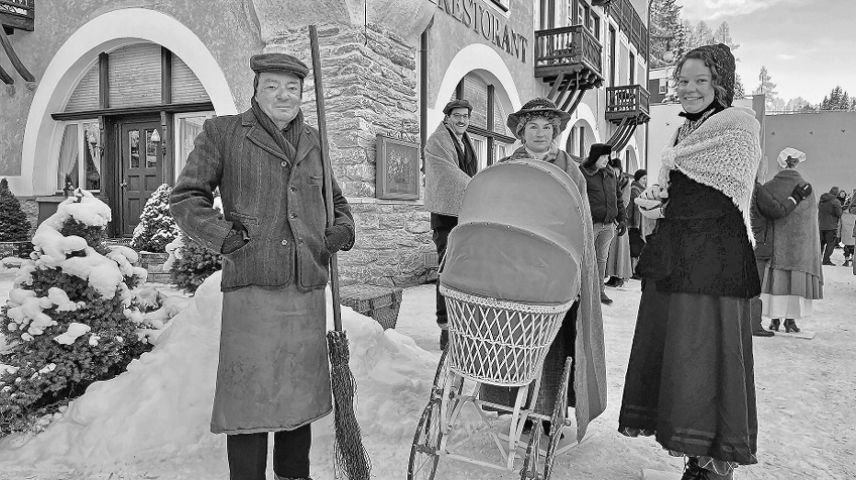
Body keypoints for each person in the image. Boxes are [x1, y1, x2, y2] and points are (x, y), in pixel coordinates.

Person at [170, 52, 355, 480]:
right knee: (249, 396)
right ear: (255, 89)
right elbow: (186, 198)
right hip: (253, 280)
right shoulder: (225, 133)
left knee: (299, 394)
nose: (283, 95)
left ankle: (295, 475)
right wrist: (223, 238)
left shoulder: (314, 138)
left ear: (302, 93)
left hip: (306, 283)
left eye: (292, 88)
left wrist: (341, 230)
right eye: (272, 86)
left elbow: (337, 203)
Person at [619, 44, 761, 480]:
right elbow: (676, 192)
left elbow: (731, 184)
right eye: (683, 81)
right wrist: (654, 200)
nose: (691, 89)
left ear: (721, 82)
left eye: (702, 80)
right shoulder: (680, 135)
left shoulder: (738, 126)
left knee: (710, 354)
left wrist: (672, 183)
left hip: (714, 260)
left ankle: (717, 462)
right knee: (679, 355)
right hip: (677, 254)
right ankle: (693, 455)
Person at [480, 97, 607, 440]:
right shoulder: (507, 167)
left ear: (555, 131)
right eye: (532, 126)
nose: (539, 133)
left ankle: (548, 412)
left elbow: (580, 220)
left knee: (553, 342)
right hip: (517, 266)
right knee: (517, 336)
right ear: (522, 132)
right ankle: (515, 405)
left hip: (556, 266)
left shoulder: (571, 170)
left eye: (546, 127)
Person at [424, 99, 478, 350]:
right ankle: (446, 328)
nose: (462, 120)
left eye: (466, 116)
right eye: (457, 115)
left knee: (464, 271)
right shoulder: (438, 141)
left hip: (465, 215)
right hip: (445, 218)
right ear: (447, 117)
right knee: (447, 270)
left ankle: (462, 324)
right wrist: (477, 188)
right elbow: (447, 173)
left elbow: (468, 172)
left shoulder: (465, 140)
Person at [749, 149, 813, 337]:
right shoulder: (759, 189)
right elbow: (778, 211)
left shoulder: (763, 187)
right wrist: (795, 197)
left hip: (747, 242)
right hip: (766, 245)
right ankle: (755, 324)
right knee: (755, 287)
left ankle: (766, 320)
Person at [581, 143, 626, 305]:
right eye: (604, 157)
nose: (607, 160)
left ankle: (599, 292)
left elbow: (618, 198)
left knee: (601, 259)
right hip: (590, 224)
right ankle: (582, 292)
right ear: (595, 156)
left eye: (608, 157)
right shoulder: (583, 173)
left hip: (608, 225)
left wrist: (622, 219)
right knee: (585, 258)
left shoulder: (611, 174)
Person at [605, 158, 633, 288]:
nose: (614, 172)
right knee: (610, 250)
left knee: (619, 250)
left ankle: (620, 277)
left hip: (619, 220)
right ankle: (612, 275)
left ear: (620, 170)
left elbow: (625, 201)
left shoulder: (625, 182)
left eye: (615, 170)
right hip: (609, 219)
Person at [627, 169, 647, 278]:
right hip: (635, 224)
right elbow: (635, 209)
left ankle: (637, 270)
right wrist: (636, 225)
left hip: (640, 224)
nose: (645, 181)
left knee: (639, 248)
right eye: (644, 178)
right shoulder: (635, 190)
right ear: (638, 178)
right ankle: (634, 271)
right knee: (635, 248)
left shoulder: (641, 190)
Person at [818, 186, 843, 265]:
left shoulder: (822, 200)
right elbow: (839, 213)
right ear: (836, 193)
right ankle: (826, 260)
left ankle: (816, 260)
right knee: (830, 244)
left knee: (820, 244)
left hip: (821, 225)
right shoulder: (835, 201)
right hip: (831, 226)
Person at [840, 191, 856, 267]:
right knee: (853, 247)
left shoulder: (843, 211)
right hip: (852, 229)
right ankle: (853, 260)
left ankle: (847, 260)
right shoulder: (852, 210)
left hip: (846, 231)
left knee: (847, 247)